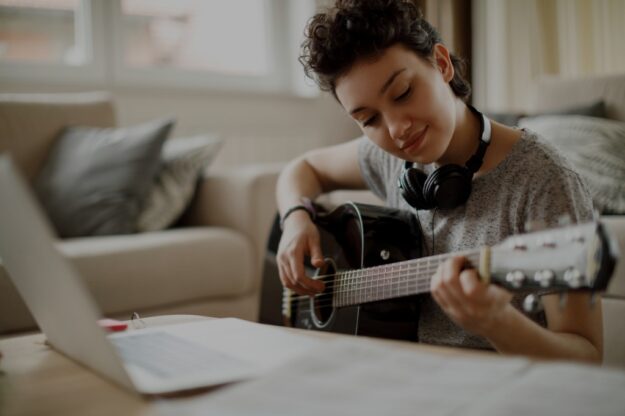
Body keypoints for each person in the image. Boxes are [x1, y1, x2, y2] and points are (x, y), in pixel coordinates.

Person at [276, 0, 602, 362]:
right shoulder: (388, 158)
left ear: (442, 64)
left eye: (402, 93)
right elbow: (302, 168)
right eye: (369, 120)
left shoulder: (544, 181)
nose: (397, 130)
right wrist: (295, 218)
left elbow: (586, 356)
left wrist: (498, 323)